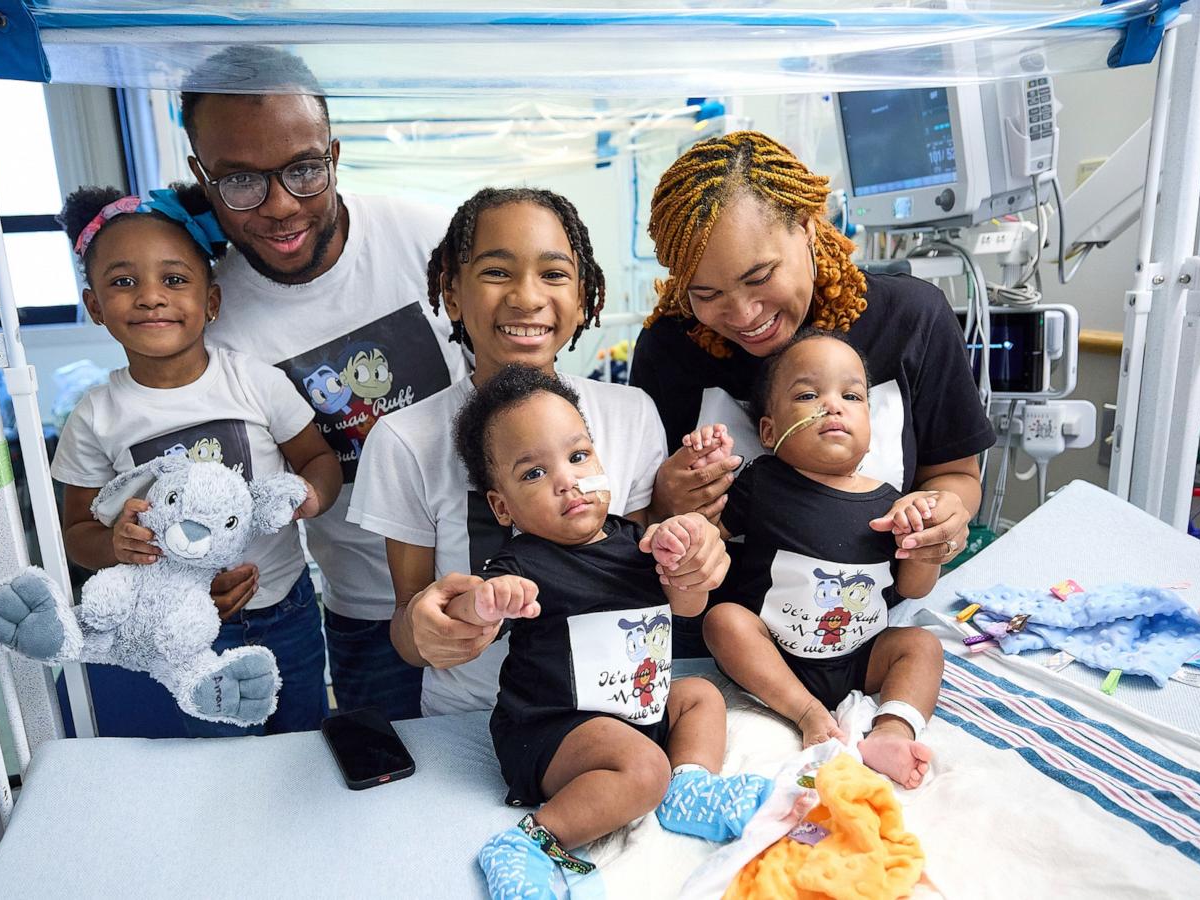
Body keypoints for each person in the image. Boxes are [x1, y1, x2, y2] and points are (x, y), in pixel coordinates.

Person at [349, 188, 726, 714]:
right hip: (469, 719)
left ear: (584, 294)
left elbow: (638, 572)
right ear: (452, 293)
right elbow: (406, 627)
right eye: (497, 272)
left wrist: (691, 555)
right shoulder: (404, 440)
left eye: (554, 274)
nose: (527, 297)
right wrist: (422, 633)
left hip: (620, 710)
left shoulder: (631, 413)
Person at [181, 47, 467, 719]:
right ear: (202, 177)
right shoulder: (216, 324)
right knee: (385, 796)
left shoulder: (432, 241)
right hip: (369, 614)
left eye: (305, 170)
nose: (280, 206)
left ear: (333, 154)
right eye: (241, 181)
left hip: (503, 578)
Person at [631, 130, 994, 655]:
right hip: (717, 642)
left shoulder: (911, 320)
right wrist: (665, 498)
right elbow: (633, 515)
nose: (743, 315)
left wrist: (941, 517)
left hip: (869, 637)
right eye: (706, 294)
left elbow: (955, 475)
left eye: (759, 277)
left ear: (806, 226)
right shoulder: (672, 346)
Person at [446, 366, 770, 896]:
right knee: (642, 768)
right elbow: (463, 609)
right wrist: (485, 600)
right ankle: (532, 841)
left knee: (699, 695)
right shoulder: (521, 564)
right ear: (502, 506)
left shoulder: (638, 542)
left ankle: (689, 786)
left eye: (578, 457)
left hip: (635, 712)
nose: (567, 481)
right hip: (555, 729)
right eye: (533, 474)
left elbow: (688, 607)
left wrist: (685, 558)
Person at [50, 185, 343, 736]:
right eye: (123, 282)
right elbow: (77, 530)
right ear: (94, 306)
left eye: (175, 280)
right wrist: (114, 546)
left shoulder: (252, 381)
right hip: (183, 629)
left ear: (211, 300)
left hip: (288, 609)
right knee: (221, 760)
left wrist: (311, 495)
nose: (151, 297)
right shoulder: (96, 417)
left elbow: (317, 458)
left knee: (305, 743)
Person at [701, 329, 942, 789]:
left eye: (852, 396)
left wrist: (922, 540)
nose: (833, 406)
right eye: (809, 395)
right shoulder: (764, 482)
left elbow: (913, 588)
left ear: (871, 431)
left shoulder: (893, 504)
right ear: (769, 431)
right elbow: (709, 539)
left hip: (860, 657)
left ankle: (892, 730)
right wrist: (693, 513)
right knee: (724, 621)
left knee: (922, 646)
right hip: (775, 655)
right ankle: (806, 711)